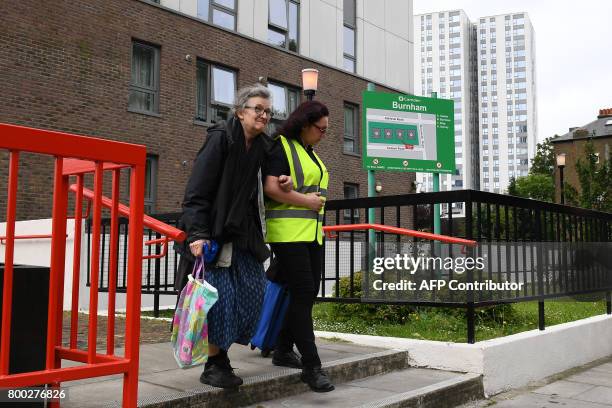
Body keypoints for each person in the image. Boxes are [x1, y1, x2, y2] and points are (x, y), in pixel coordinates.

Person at [177, 84, 292, 389]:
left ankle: (221, 357)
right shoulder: (221, 138)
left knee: (254, 293)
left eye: (268, 111)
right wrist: (197, 233)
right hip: (215, 237)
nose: (264, 115)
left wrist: (284, 178)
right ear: (241, 112)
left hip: (246, 236)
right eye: (258, 109)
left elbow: (274, 175)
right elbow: (197, 191)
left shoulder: (264, 146)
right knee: (221, 301)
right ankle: (215, 363)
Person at [263, 100, 335, 392]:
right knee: (304, 293)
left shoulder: (309, 152)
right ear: (305, 124)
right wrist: (307, 200)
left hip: (311, 234)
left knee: (305, 293)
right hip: (288, 234)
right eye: (321, 129)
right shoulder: (281, 146)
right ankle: (311, 365)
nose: (323, 134)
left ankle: (282, 348)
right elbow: (270, 187)